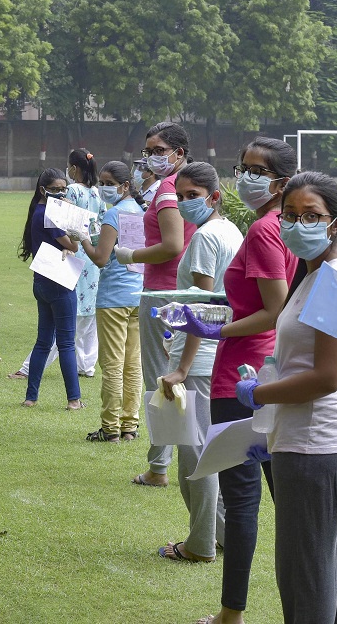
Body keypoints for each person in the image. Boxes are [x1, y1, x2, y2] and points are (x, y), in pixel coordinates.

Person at [174, 137, 299, 624]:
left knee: (244, 500)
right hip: (261, 372)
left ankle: (231, 614)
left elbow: (273, 311)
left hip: (240, 378)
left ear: (281, 182)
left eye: (256, 169)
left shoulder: (268, 231)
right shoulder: (278, 225)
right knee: (281, 498)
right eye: (242, 166)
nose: (245, 176)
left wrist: (212, 326)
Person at [235, 171, 337, 623]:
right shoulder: (316, 275)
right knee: (329, 568)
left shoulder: (334, 279)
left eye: (312, 216)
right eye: (290, 215)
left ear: (334, 222)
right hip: (310, 441)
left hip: (315, 445)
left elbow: (327, 376)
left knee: (305, 578)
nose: (297, 224)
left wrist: (260, 393)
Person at [157, 162, 242, 562]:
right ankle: (218, 535)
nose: (186, 203)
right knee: (199, 449)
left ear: (214, 196)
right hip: (212, 355)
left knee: (196, 456)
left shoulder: (208, 237)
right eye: (182, 196)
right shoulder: (229, 231)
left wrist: (183, 367)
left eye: (194, 195)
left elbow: (202, 307)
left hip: (200, 360)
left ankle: (201, 543)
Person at [115, 122, 196, 488]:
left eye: (159, 150)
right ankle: (167, 462)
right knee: (179, 376)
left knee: (158, 378)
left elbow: (172, 245)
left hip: (163, 292)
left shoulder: (168, 188)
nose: (151, 157)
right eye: (148, 151)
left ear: (178, 153)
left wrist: (130, 253)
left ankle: (159, 467)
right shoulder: (190, 186)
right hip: (186, 290)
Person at [78, 160, 145, 441]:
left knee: (113, 365)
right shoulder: (141, 212)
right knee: (133, 365)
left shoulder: (113, 215)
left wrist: (83, 239)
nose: (103, 188)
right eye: (101, 183)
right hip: (139, 294)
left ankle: (110, 427)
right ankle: (130, 424)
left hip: (113, 298)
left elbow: (101, 258)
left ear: (125, 186)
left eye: (108, 183)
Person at [18, 168, 82, 409]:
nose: (61, 193)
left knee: (43, 342)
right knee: (66, 343)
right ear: (43, 189)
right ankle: (74, 400)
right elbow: (73, 245)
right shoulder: (51, 215)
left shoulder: (38, 211)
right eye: (56, 189)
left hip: (41, 282)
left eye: (63, 188)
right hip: (60, 283)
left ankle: (31, 397)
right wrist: (71, 218)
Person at [65, 149, 104, 378]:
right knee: (89, 310)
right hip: (92, 254)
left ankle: (72, 357)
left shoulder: (72, 191)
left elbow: (67, 222)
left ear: (73, 169)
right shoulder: (97, 193)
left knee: (73, 309)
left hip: (76, 251)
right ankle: (87, 365)